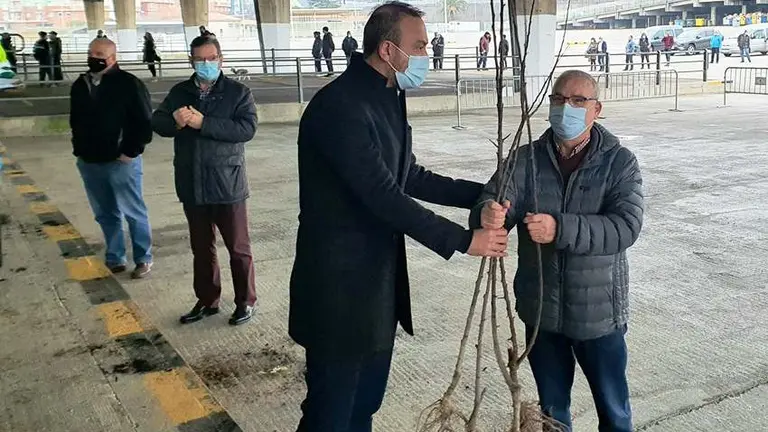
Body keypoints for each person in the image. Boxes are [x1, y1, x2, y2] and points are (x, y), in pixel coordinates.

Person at [290, 2, 509, 429]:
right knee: (329, 414)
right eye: (420, 45)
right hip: (339, 290)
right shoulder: (341, 106)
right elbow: (383, 195)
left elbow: (408, 174)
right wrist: (463, 241)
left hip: (376, 289)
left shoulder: (387, 96)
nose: (427, 54)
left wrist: (481, 195)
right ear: (389, 50)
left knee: (364, 406)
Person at [471, 69, 643, 432]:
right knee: (552, 412)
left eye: (579, 101)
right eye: (560, 99)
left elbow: (626, 227)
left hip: (597, 313)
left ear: (597, 109)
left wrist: (560, 228)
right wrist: (488, 211)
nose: (567, 107)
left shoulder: (619, 162)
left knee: (614, 410)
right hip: (542, 310)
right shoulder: (526, 159)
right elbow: (494, 197)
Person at [151, 35, 257, 326]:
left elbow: (246, 129)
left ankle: (245, 301)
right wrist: (175, 120)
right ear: (191, 61)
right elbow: (157, 122)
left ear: (221, 59)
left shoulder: (238, 92)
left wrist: (203, 123)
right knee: (201, 248)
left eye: (211, 58)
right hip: (192, 182)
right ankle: (207, 299)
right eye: (200, 60)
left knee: (238, 248)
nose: (206, 64)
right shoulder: (180, 91)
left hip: (228, 183)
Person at [69, 38, 154, 279]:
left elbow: (144, 121)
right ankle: (115, 257)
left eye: (100, 53)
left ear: (113, 58)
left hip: (121, 162)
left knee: (133, 211)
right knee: (105, 213)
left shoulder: (129, 84)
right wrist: (79, 149)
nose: (93, 57)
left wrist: (131, 151)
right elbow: (75, 120)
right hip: (90, 161)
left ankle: (143, 258)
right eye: (91, 52)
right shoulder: (80, 84)